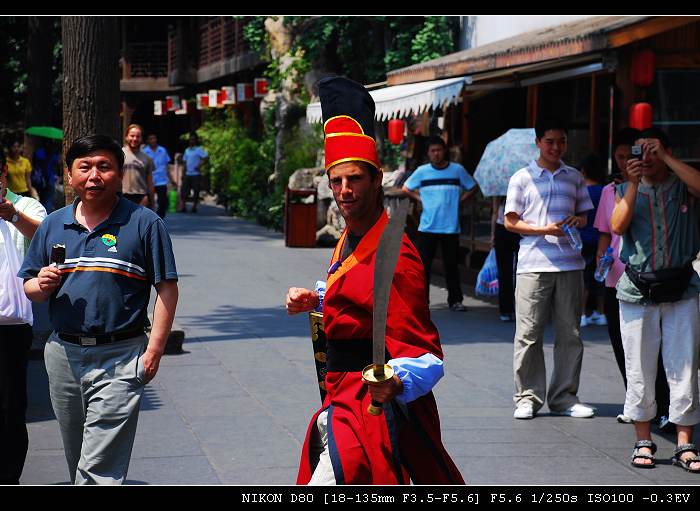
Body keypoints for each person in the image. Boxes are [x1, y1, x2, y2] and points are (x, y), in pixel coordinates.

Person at [286, 76, 463, 485]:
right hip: (340, 396)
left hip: (372, 407)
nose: (344, 191)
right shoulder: (351, 235)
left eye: (355, 179)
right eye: (337, 181)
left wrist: (399, 380)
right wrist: (314, 300)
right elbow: (359, 296)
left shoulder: (395, 252)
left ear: (376, 178)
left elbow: (426, 351)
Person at [18, 134, 179, 484]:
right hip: (63, 354)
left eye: (104, 167)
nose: (94, 175)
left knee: (98, 468)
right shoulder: (52, 225)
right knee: (78, 456)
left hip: (121, 355)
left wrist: (155, 349)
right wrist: (40, 285)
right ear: (70, 175)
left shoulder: (145, 223)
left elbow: (166, 288)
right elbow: (29, 285)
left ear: (119, 174)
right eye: (85, 167)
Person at [610, 128, 700, 472]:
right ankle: (643, 441)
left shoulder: (683, 186)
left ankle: (684, 443)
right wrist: (633, 184)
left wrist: (666, 158)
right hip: (637, 291)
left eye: (652, 151)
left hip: (682, 288)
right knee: (640, 369)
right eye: (640, 151)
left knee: (685, 367)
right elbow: (618, 226)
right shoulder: (622, 188)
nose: (645, 158)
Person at [504, 118, 595, 420]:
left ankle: (565, 397)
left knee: (570, 333)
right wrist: (544, 229)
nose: (556, 147)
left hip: (571, 263)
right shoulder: (522, 177)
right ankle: (527, 397)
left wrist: (577, 222)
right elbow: (510, 221)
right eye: (550, 141)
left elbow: (584, 215)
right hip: (533, 265)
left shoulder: (574, 177)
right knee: (528, 334)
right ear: (538, 143)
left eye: (562, 141)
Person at [593, 128, 671, 429]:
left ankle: (663, 406)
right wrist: (600, 268)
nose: (628, 161)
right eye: (622, 157)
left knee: (658, 347)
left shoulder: (657, 188)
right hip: (616, 278)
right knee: (622, 344)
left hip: (650, 277)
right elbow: (605, 233)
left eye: (633, 155)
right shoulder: (609, 192)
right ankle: (635, 402)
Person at [0, 151, 46, 484]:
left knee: (10, 405)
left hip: (9, 326)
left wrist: (12, 215)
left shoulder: (27, 205)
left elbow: (45, 235)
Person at [402, 136, 477, 311]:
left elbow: (472, 186)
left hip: (450, 227)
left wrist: (460, 200)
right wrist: (420, 198)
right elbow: (406, 188)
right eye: (432, 151)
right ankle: (422, 301)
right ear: (428, 154)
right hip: (428, 226)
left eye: (439, 150)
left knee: (451, 266)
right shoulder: (422, 171)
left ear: (445, 151)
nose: (436, 154)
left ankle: (455, 300)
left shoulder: (457, 170)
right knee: (423, 267)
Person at [578, 153, 607, 327]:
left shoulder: (581, 192)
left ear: (583, 171)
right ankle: (600, 312)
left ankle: (582, 314)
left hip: (583, 239)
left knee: (583, 279)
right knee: (601, 276)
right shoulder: (606, 190)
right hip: (603, 240)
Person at [491, 196, 520, 321]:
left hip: (502, 227)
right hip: (520, 226)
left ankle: (506, 310)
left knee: (504, 271)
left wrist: (492, 234)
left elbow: (495, 211)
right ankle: (520, 309)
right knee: (521, 271)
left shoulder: (498, 185)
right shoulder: (522, 184)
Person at [121, 124, 155, 208]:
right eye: (132, 136)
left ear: (141, 138)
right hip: (123, 195)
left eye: (138, 136)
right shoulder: (119, 154)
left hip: (141, 197)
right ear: (126, 137)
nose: (135, 139)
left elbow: (150, 182)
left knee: (140, 221)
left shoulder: (147, 158)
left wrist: (152, 201)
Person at [143, 133, 171, 219]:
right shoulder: (144, 151)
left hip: (161, 179)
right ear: (148, 141)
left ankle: (159, 218)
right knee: (149, 202)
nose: (153, 141)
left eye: (154, 138)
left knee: (163, 202)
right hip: (149, 180)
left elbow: (167, 165)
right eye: (150, 139)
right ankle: (149, 219)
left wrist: (170, 178)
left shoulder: (162, 150)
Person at [179, 134, 208, 213]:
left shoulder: (199, 149)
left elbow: (205, 157)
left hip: (196, 174)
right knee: (184, 191)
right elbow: (185, 162)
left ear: (196, 140)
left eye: (193, 139)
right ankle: (183, 206)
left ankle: (194, 207)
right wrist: (183, 173)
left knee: (196, 191)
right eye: (190, 139)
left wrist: (200, 165)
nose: (191, 141)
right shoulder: (187, 150)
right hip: (187, 173)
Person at [31, 138, 61, 214]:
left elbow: (34, 164)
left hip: (39, 181)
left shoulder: (38, 152)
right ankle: (46, 220)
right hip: (48, 181)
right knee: (47, 203)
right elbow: (58, 162)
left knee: (40, 202)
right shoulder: (52, 153)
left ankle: (40, 217)